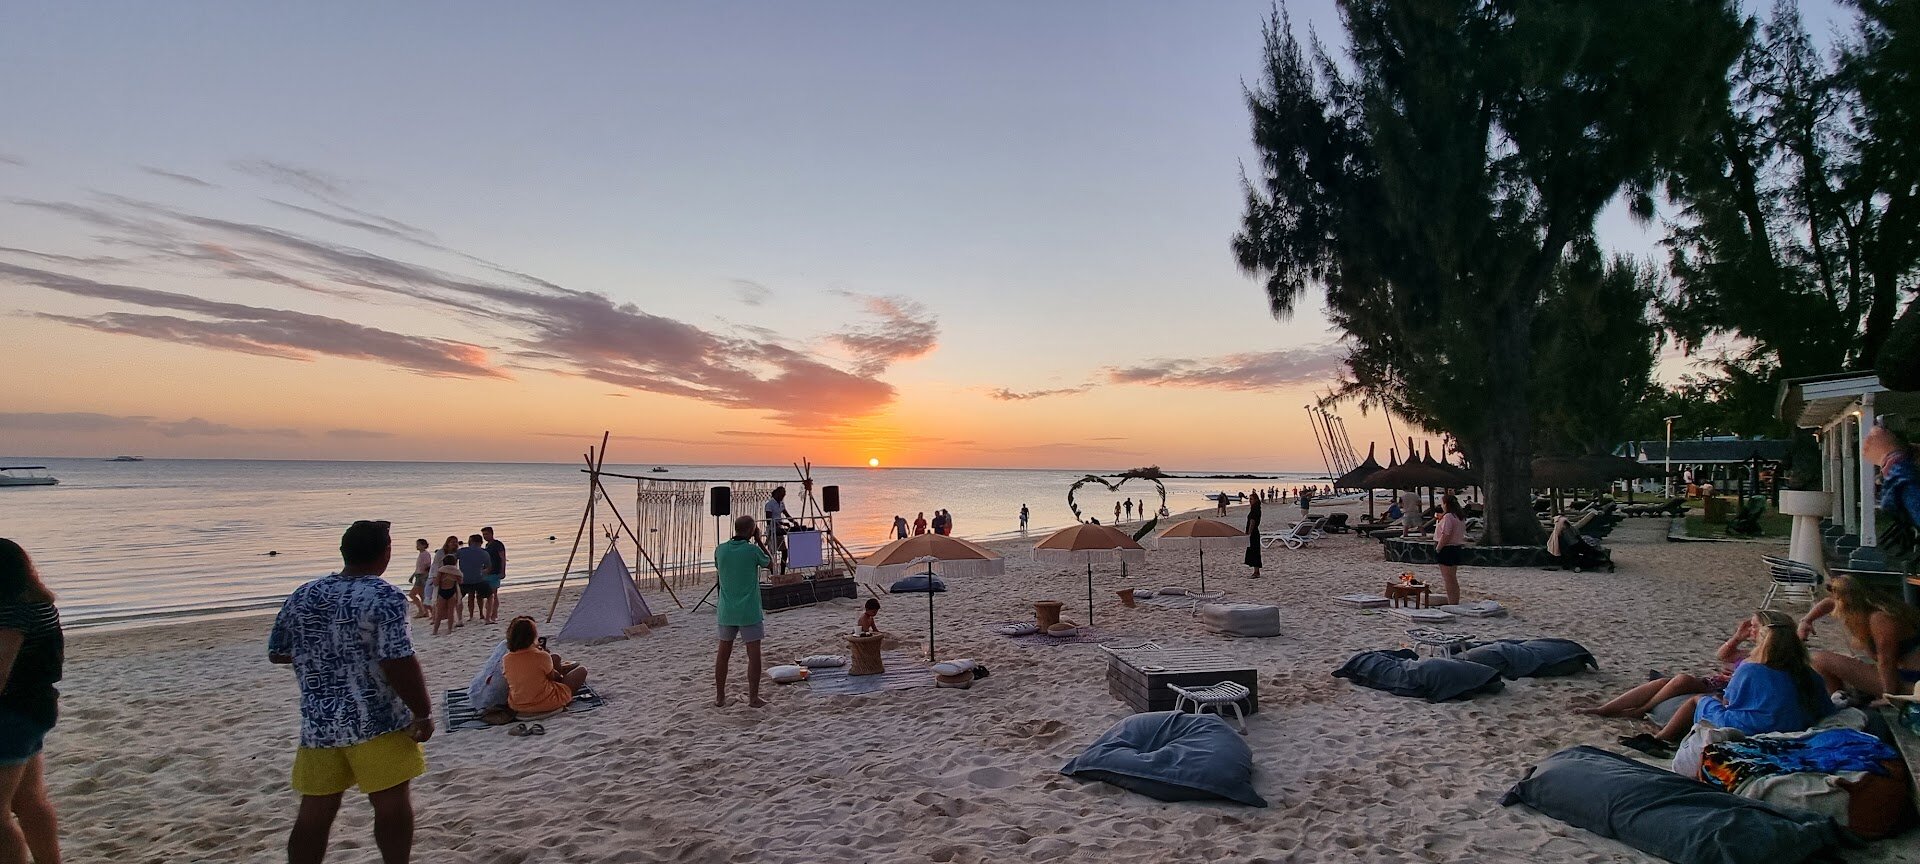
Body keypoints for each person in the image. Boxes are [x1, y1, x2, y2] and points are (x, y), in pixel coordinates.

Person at [269, 520, 433, 864]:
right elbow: (398, 659)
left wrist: (326, 653)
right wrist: (422, 712)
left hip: (320, 722)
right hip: (377, 719)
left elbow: (278, 652)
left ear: (344, 552)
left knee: (316, 809)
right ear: (386, 553)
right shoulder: (385, 596)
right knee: (390, 803)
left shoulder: (305, 594)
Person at [1635, 609, 1830, 747]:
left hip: (1751, 727)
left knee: (1698, 700)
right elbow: (1823, 707)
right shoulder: (1807, 672)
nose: (1751, 630)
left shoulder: (1750, 668)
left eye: (1754, 626)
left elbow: (1729, 704)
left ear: (1764, 634)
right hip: (1794, 725)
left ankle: (1660, 739)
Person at [0, 539, 63, 864]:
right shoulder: (38, 604)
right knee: (29, 801)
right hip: (34, 709)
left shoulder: (11, 612)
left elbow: (0, 671)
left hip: (11, 715)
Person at [1577, 615, 1759, 717]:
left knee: (1681, 680)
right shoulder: (1752, 653)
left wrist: (1735, 675)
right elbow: (1722, 656)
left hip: (1724, 690)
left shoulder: (1760, 658)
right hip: (1714, 682)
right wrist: (1737, 637)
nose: (1750, 630)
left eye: (1754, 627)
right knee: (1661, 682)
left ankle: (1642, 709)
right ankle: (1604, 709)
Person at [1799, 575, 1920, 703]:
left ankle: (1838, 704)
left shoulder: (1879, 619)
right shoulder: (1871, 606)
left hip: (1912, 683)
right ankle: (1840, 698)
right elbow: (1829, 603)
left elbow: (1887, 662)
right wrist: (1806, 621)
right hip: (1902, 674)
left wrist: (1889, 697)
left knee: (1819, 660)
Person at [714, 514, 770, 708]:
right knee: (754, 656)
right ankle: (753, 698)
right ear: (752, 531)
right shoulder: (752, 550)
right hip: (749, 611)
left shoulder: (720, 550)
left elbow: (719, 568)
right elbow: (770, 563)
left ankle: (720, 697)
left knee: (723, 654)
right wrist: (759, 541)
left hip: (726, 610)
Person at [502, 617, 587, 716]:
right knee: (582, 671)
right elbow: (554, 678)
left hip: (518, 705)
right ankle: (564, 696)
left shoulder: (506, 659)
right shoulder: (541, 656)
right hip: (546, 702)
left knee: (555, 658)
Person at [1432, 494, 1466, 605]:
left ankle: (1452, 602)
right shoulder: (1459, 516)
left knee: (1448, 579)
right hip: (1456, 548)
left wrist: (1438, 548)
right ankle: (1454, 601)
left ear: (1446, 504)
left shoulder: (1448, 517)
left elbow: (1446, 534)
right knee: (1452, 578)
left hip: (1447, 548)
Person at [456, 534, 494, 624]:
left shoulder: (461, 551)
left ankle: (461, 619)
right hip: (478, 579)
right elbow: (489, 567)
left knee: (458, 598)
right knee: (489, 596)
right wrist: (482, 572)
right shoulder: (484, 553)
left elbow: (451, 560)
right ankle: (487, 618)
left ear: (471, 542)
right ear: (480, 542)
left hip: (464, 579)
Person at [764, 487, 800, 575]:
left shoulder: (782, 503)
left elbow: (786, 515)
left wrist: (793, 521)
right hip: (772, 530)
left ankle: (782, 573)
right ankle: (773, 573)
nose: (783, 496)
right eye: (782, 494)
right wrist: (782, 523)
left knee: (784, 551)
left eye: (784, 494)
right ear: (777, 493)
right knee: (771, 553)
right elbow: (769, 520)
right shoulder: (769, 504)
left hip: (779, 529)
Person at [431, 551, 462, 635]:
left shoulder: (441, 571)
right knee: (451, 612)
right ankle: (449, 629)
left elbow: (436, 583)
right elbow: (460, 581)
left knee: (439, 613)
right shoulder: (456, 571)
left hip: (442, 592)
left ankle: (435, 631)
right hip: (452, 591)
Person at [482, 527, 507, 625]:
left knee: (493, 594)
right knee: (489, 594)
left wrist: (502, 571)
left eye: (486, 534)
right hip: (487, 572)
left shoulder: (498, 544)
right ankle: (490, 613)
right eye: (484, 535)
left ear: (492, 534)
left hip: (495, 572)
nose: (485, 536)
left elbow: (503, 558)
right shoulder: (487, 545)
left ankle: (494, 614)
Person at [438, 536, 464, 624]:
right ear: (448, 543)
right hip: (443, 577)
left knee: (458, 598)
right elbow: (436, 565)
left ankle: (459, 618)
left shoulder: (457, 552)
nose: (454, 544)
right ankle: (443, 617)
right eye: (452, 542)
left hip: (454, 577)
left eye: (456, 542)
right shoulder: (441, 552)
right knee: (441, 599)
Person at [407, 538, 431, 619]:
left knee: (412, 594)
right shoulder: (421, 554)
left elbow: (427, 566)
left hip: (422, 576)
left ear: (423, 545)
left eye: (418, 545)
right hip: (419, 575)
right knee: (421, 595)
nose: (417, 546)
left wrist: (424, 576)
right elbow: (418, 568)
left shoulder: (425, 554)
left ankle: (421, 611)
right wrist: (412, 576)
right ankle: (425, 612)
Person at [1244, 492, 1263, 578]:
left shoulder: (1255, 509)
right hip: (1254, 532)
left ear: (1255, 500)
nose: (1249, 501)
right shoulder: (1256, 508)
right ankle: (1256, 571)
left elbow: (1252, 521)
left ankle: (1256, 572)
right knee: (1255, 551)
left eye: (1251, 499)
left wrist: (1249, 532)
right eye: (1249, 499)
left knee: (1255, 551)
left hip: (1254, 532)